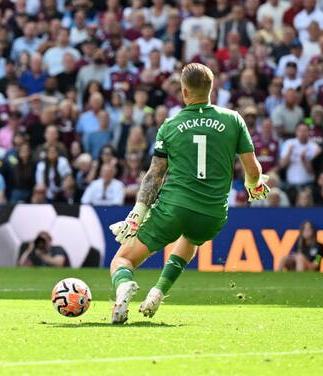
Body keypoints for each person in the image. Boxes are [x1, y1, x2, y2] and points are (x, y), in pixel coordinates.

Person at [108, 63, 269, 324]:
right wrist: (254, 186)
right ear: (211, 88)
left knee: (123, 259)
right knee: (191, 239)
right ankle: (158, 292)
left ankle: (125, 286)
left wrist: (137, 213)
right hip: (212, 214)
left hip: (174, 208)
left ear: (184, 92)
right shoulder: (233, 119)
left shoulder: (170, 125)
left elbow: (154, 175)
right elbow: (252, 169)